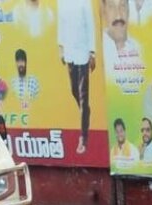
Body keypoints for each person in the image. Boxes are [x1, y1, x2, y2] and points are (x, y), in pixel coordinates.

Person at [58, 0, 97, 154]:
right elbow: (61, 25)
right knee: (74, 91)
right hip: (70, 53)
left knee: (82, 96)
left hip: (83, 53)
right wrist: (61, 48)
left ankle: (83, 137)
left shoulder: (85, 2)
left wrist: (92, 52)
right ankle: (86, 112)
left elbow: (90, 25)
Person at [102, 0, 143, 75]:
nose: (118, 15)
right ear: (104, 12)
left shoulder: (139, 49)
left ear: (128, 11)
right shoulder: (98, 49)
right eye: (111, 7)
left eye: (123, 6)